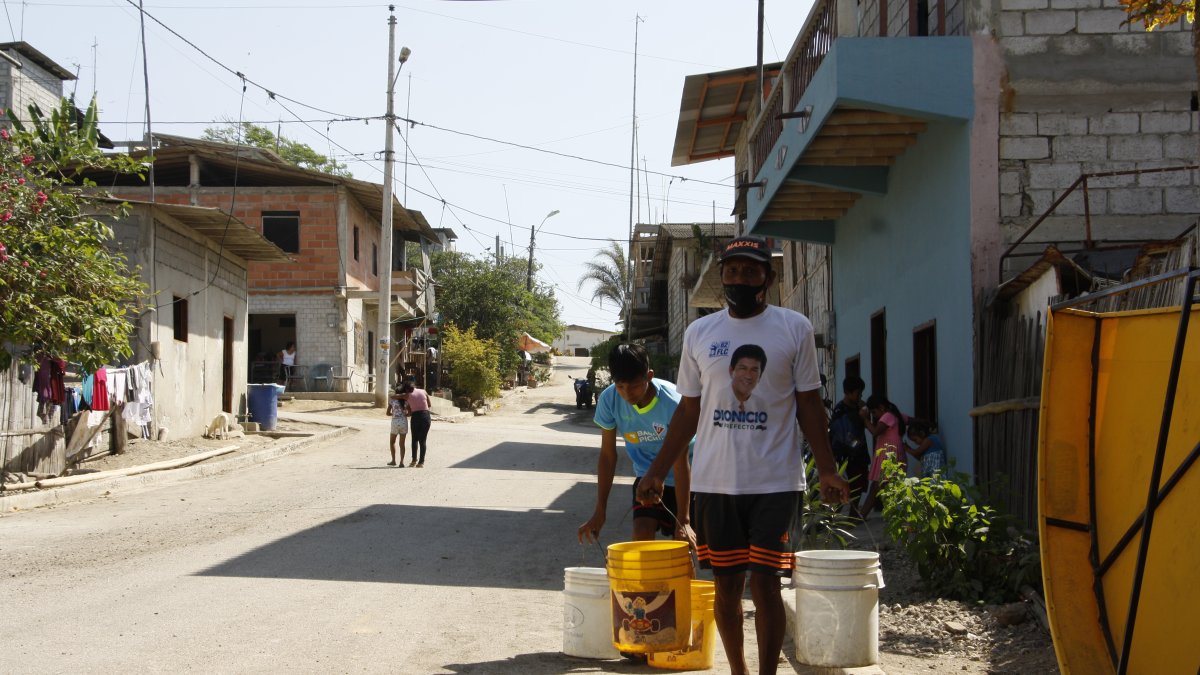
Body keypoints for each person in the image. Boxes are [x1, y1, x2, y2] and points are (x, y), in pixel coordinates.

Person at [636, 235, 849, 675]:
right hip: (716, 483)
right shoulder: (700, 333)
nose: (739, 279)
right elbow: (688, 410)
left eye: (750, 271)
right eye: (731, 271)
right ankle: (738, 671)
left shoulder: (794, 328)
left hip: (777, 481)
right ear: (722, 277)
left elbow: (809, 403)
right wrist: (656, 472)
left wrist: (827, 469)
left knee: (767, 584)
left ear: (766, 280)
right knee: (727, 586)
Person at [577, 343, 693, 546]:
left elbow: (680, 462)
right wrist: (600, 510)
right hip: (646, 476)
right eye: (621, 386)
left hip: (687, 477)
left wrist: (684, 520)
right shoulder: (609, 399)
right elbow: (607, 456)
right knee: (641, 534)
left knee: (680, 546)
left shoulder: (673, 402)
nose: (627, 393)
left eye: (634, 385)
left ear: (649, 376)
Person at [858, 394, 908, 519]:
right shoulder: (896, 416)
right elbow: (911, 420)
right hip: (894, 453)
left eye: (874, 412)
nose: (874, 416)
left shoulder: (887, 416)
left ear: (881, 407)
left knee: (876, 487)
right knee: (884, 487)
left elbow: (875, 432)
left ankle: (862, 516)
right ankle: (893, 514)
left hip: (888, 455)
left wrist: (865, 420)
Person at [829, 375, 871, 518]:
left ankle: (853, 516)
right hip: (845, 455)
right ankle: (834, 517)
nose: (860, 396)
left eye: (861, 393)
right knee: (844, 486)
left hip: (860, 453)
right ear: (848, 392)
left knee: (859, 485)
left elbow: (866, 423)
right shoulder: (840, 410)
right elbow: (840, 433)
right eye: (858, 393)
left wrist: (864, 414)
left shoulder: (861, 406)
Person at [404, 383, 432, 467]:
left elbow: (409, 412)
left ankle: (413, 461)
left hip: (416, 416)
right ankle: (421, 462)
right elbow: (429, 404)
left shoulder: (407, 395)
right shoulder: (424, 391)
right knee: (423, 440)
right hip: (426, 416)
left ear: (406, 389)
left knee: (414, 439)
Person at [385, 385, 410, 466]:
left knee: (392, 442)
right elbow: (410, 413)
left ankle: (393, 461)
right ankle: (402, 462)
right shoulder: (406, 401)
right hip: (404, 422)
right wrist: (404, 415)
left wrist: (394, 414)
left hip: (395, 421)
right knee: (402, 444)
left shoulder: (392, 400)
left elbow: (387, 413)